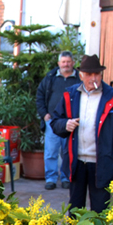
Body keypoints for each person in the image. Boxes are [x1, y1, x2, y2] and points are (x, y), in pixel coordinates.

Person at [50, 54, 113, 212]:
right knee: (75, 209)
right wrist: (65, 124)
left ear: (101, 74)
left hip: (101, 163)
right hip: (76, 161)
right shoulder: (71, 95)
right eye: (89, 74)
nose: (93, 78)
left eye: (96, 74)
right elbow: (55, 121)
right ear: (81, 75)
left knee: (100, 210)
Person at [36, 51, 79, 190]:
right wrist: (44, 114)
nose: (66, 64)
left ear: (73, 63)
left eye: (68, 61)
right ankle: (51, 179)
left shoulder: (79, 78)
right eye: (63, 62)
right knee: (51, 151)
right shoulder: (50, 78)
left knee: (68, 151)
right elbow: (40, 96)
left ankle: (66, 178)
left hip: (71, 122)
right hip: (52, 121)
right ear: (59, 63)